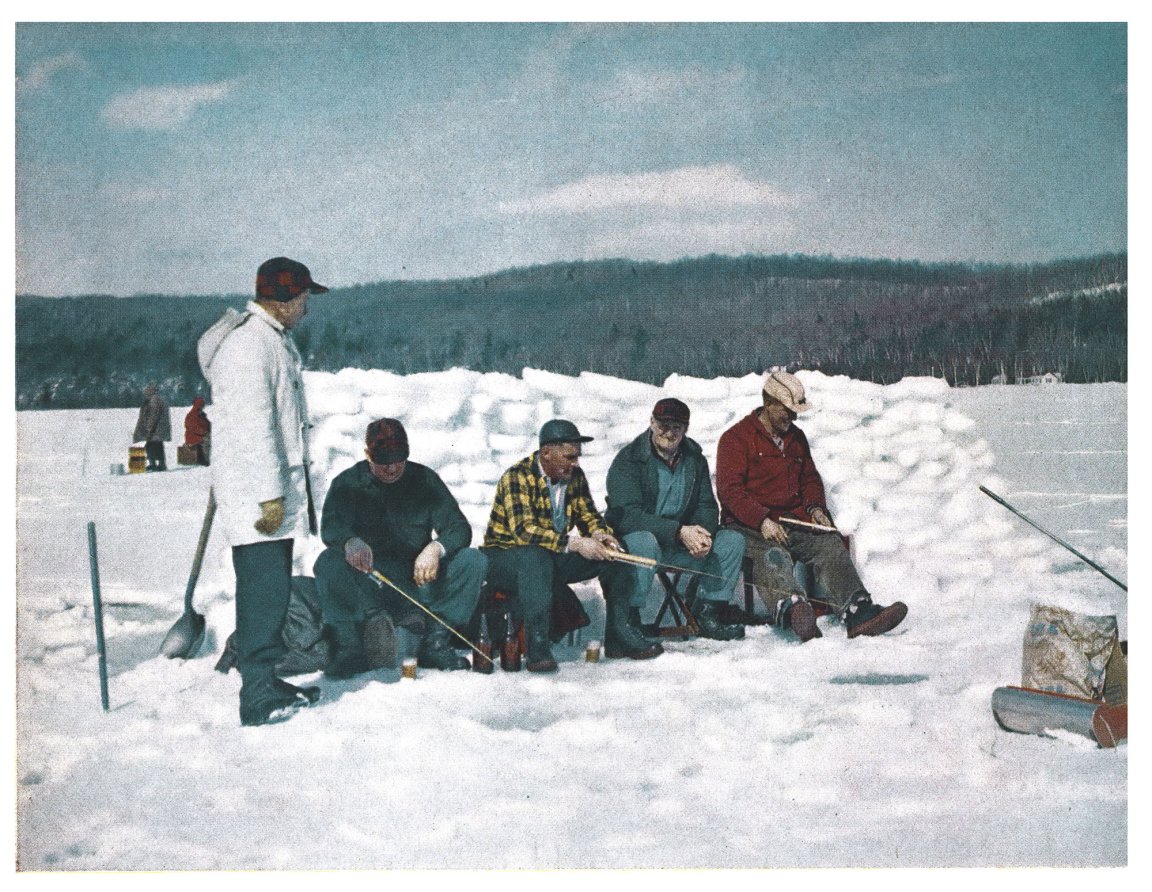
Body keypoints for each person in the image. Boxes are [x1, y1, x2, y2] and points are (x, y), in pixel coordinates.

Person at [197, 256, 329, 726]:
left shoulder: (270, 342)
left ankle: (266, 680)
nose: (307, 308)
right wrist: (269, 495)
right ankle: (257, 696)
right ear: (286, 298)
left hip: (264, 495)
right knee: (263, 594)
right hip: (259, 498)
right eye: (305, 298)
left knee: (269, 594)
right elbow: (255, 430)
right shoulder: (251, 349)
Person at [716, 371, 907, 642]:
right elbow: (730, 491)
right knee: (773, 556)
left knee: (829, 544)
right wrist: (762, 521)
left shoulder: (796, 439)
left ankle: (858, 611)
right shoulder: (735, 439)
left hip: (792, 521)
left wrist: (816, 509)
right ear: (769, 403)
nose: (793, 418)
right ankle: (794, 611)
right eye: (787, 411)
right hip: (750, 526)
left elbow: (809, 479)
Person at [313, 418, 487, 679]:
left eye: (399, 459)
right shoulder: (347, 483)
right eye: (384, 462)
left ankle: (436, 642)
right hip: (369, 583)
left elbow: (459, 528)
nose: (393, 468)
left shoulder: (425, 480)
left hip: (418, 582)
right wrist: (350, 541)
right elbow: (331, 528)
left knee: (472, 560)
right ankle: (351, 648)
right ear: (367, 455)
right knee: (327, 562)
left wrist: (435, 549)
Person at [482, 419, 662, 670]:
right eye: (569, 457)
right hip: (505, 558)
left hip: (551, 552)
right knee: (535, 558)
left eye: (577, 457)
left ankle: (619, 634)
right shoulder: (517, 476)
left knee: (615, 556)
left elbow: (587, 514)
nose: (575, 463)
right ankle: (538, 647)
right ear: (546, 452)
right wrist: (576, 543)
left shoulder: (573, 475)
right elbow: (524, 532)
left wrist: (601, 535)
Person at [605, 398, 746, 641]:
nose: (669, 433)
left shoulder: (694, 459)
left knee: (731, 540)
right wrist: (679, 531)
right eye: (663, 426)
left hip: (682, 544)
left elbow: (706, 505)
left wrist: (702, 534)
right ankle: (629, 620)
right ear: (651, 422)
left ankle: (708, 611)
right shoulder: (629, 460)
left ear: (686, 430)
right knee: (643, 540)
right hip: (645, 544)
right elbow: (626, 516)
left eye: (677, 428)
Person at [132, 383, 171, 471]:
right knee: (158, 446)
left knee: (150, 446)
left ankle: (153, 464)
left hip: (155, 430)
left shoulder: (154, 401)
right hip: (160, 429)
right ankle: (161, 464)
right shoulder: (160, 399)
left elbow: (153, 417)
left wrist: (148, 429)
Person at [184, 396, 212, 466]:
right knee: (206, 441)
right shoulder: (192, 415)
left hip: (199, 435)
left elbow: (207, 423)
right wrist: (203, 432)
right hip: (193, 436)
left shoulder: (201, 415)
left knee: (207, 439)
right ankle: (205, 460)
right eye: (202, 406)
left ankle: (204, 459)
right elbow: (193, 427)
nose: (203, 408)